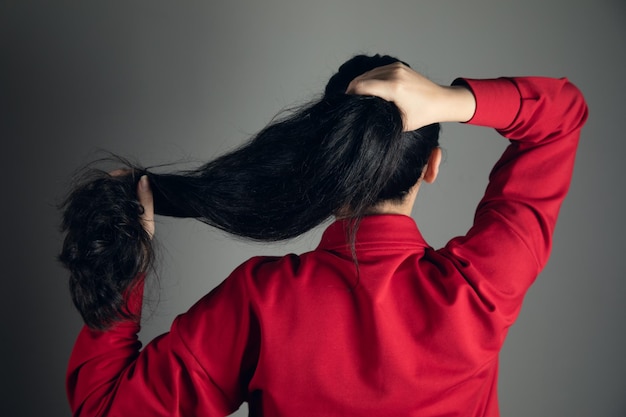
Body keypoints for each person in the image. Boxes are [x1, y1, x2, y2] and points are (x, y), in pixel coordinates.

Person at [60, 55, 588, 416]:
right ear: (432, 166)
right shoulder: (480, 289)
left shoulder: (261, 301)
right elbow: (561, 115)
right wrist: (452, 101)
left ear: (322, 170)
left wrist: (121, 271)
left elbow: (109, 408)